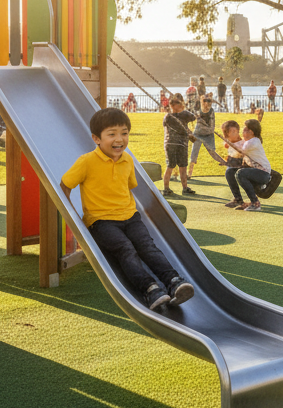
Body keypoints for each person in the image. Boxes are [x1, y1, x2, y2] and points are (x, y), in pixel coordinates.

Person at [61, 108, 194, 311]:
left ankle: (173, 281)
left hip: (130, 217)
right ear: (97, 138)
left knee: (147, 246)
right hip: (101, 221)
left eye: (124, 133)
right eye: (112, 134)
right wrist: (75, 217)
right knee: (126, 249)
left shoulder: (127, 160)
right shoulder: (86, 162)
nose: (120, 139)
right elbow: (64, 186)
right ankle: (150, 288)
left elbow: (127, 187)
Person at [223, 117, 271, 211]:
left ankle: (255, 203)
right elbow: (237, 149)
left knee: (240, 173)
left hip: (262, 174)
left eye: (245, 129)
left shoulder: (253, 142)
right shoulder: (248, 142)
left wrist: (229, 143)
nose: (242, 131)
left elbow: (239, 152)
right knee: (230, 171)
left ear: (251, 132)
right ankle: (238, 199)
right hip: (255, 171)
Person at [161, 96, 197, 196]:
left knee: (183, 166)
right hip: (171, 143)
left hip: (183, 144)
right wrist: (188, 134)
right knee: (170, 165)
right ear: (172, 105)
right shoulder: (169, 117)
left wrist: (184, 110)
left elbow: (194, 117)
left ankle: (185, 188)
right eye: (178, 104)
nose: (181, 105)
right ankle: (166, 188)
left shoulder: (183, 115)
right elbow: (179, 129)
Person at [187, 94, 222, 179]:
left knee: (212, 152)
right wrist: (195, 117)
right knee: (193, 155)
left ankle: (228, 164)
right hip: (197, 135)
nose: (206, 103)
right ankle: (189, 174)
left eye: (209, 101)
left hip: (208, 135)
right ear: (201, 101)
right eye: (204, 101)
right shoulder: (197, 110)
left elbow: (211, 127)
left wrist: (206, 126)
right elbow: (190, 118)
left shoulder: (211, 111)